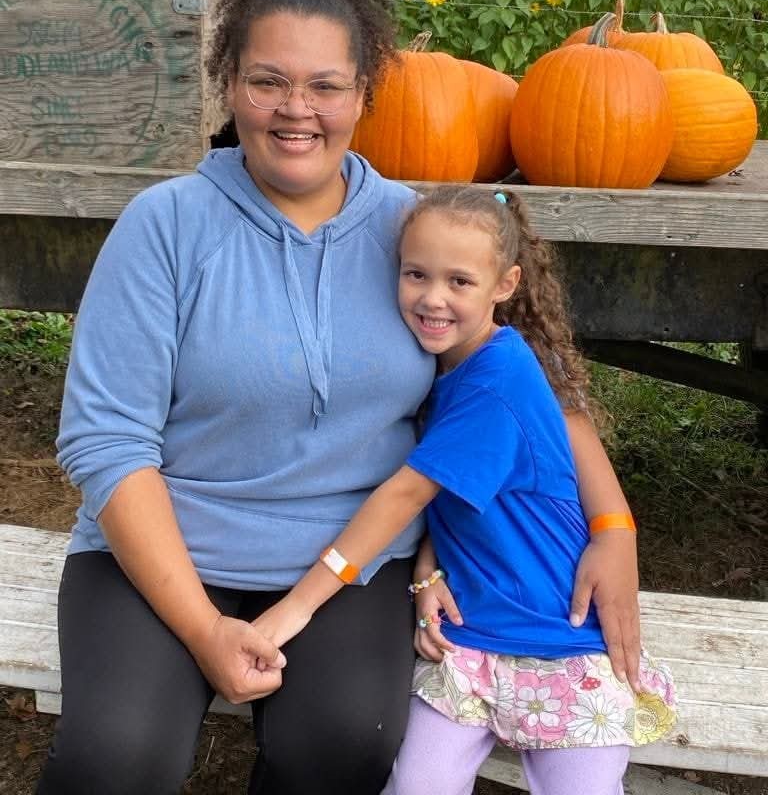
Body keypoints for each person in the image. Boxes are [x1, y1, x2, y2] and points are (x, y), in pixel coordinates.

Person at [38, 0, 642, 795]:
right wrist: (204, 627)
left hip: (351, 559)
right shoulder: (164, 227)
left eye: (325, 85)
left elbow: (520, 381)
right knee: (119, 758)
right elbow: (107, 442)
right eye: (267, 81)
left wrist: (614, 525)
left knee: (348, 745)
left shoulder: (414, 234)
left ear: (364, 92)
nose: (296, 111)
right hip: (162, 550)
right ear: (228, 85)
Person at [251, 184, 676, 795]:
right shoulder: (448, 366)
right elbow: (457, 501)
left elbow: (405, 495)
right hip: (467, 645)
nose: (432, 298)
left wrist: (299, 605)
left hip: (560, 643)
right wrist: (428, 567)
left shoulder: (495, 382)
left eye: (460, 282)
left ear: (505, 285)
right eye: (416, 274)